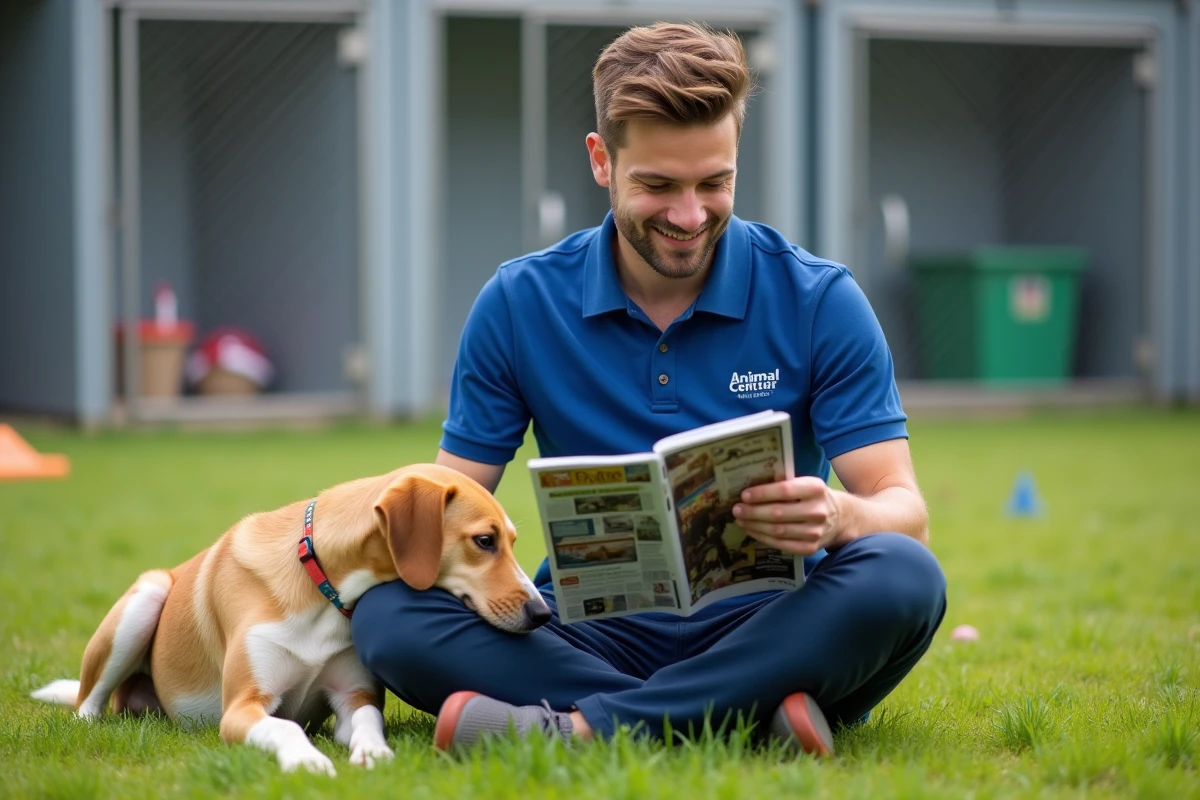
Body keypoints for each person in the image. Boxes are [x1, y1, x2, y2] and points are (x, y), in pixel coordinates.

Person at [351, 20, 946, 756]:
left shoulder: (820, 298)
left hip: (774, 622)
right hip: (586, 635)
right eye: (658, 185)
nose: (690, 216)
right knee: (386, 615)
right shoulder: (518, 302)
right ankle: (741, 716)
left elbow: (905, 512)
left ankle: (580, 730)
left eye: (715, 182)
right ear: (601, 161)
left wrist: (840, 516)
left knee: (904, 576)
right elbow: (444, 503)